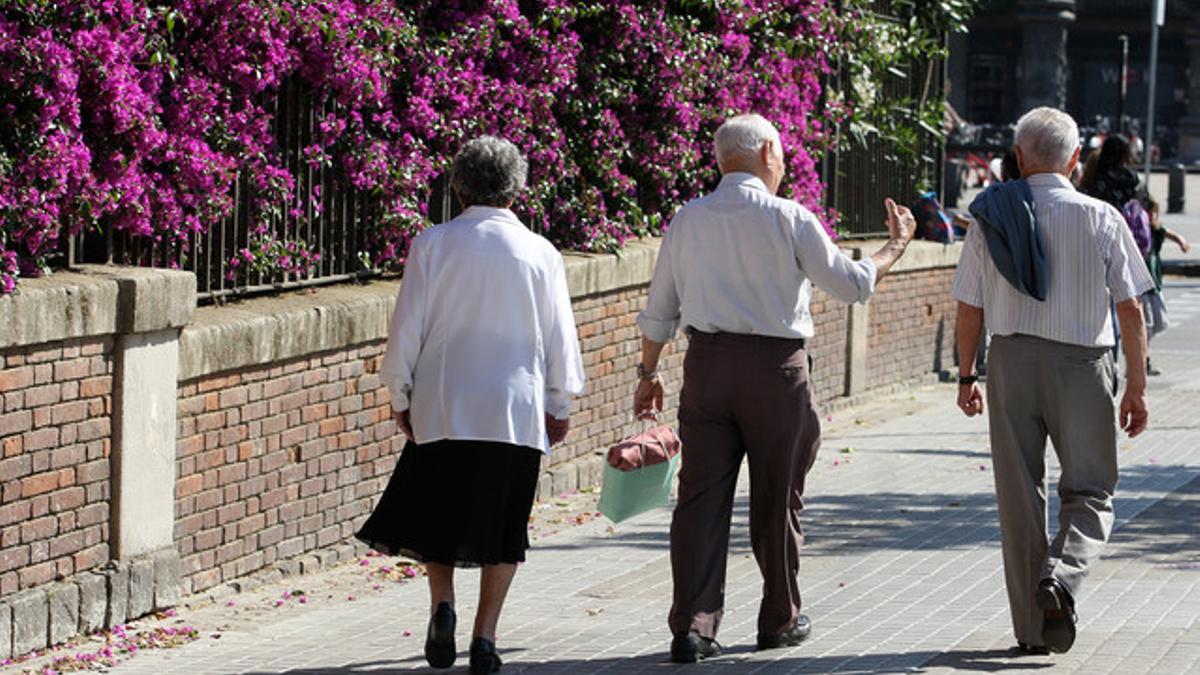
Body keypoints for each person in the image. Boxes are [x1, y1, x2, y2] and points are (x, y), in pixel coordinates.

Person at [632, 113, 916, 663]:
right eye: (781, 152)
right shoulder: (789, 217)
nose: (784, 162)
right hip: (775, 371)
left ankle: (693, 626)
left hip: (707, 369)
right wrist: (894, 248)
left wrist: (648, 374)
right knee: (778, 498)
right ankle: (779, 618)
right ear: (766, 151)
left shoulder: (687, 220)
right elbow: (851, 285)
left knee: (699, 500)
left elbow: (659, 310)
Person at [357, 136, 586, 674]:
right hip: (514, 407)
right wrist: (559, 403)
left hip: (444, 401)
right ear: (518, 186)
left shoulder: (433, 244)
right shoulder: (541, 253)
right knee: (505, 526)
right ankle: (485, 637)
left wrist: (400, 395)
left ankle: (443, 606)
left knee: (441, 514)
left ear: (458, 184)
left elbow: (406, 328)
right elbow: (559, 339)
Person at [952, 107, 1154, 656]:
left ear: (1018, 157)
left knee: (1019, 497)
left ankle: (1031, 633)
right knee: (1091, 488)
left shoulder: (991, 216)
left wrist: (967, 373)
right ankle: (1061, 577)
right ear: (1074, 160)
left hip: (1010, 362)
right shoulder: (1101, 216)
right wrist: (1136, 384)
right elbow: (1131, 308)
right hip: (1082, 364)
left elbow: (969, 306)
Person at [1142, 197, 1191, 375]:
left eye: (1155, 212)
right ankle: (1142, 362)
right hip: (1142, 285)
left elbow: (1169, 233)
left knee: (1160, 322)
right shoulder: (1137, 231)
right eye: (1150, 213)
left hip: (1155, 282)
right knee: (1146, 325)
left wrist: (1182, 242)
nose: (1153, 216)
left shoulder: (1155, 230)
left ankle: (1140, 350)